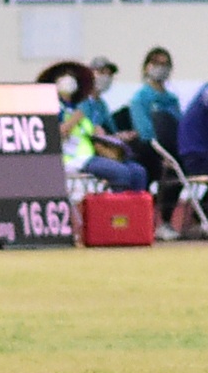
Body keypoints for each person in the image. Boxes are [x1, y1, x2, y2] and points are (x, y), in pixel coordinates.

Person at [56, 70, 144, 192]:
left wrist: (102, 134)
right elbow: (55, 135)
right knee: (120, 172)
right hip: (72, 159)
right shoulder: (54, 106)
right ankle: (117, 210)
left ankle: (136, 210)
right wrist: (76, 117)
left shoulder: (79, 105)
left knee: (138, 172)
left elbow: (88, 132)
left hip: (92, 155)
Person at [128, 47, 183, 239]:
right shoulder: (140, 97)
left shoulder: (171, 99)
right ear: (146, 67)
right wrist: (162, 156)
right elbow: (144, 131)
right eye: (156, 63)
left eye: (164, 64)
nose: (161, 68)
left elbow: (178, 125)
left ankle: (166, 221)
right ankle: (143, 221)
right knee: (154, 169)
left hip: (170, 150)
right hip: (149, 150)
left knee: (179, 171)